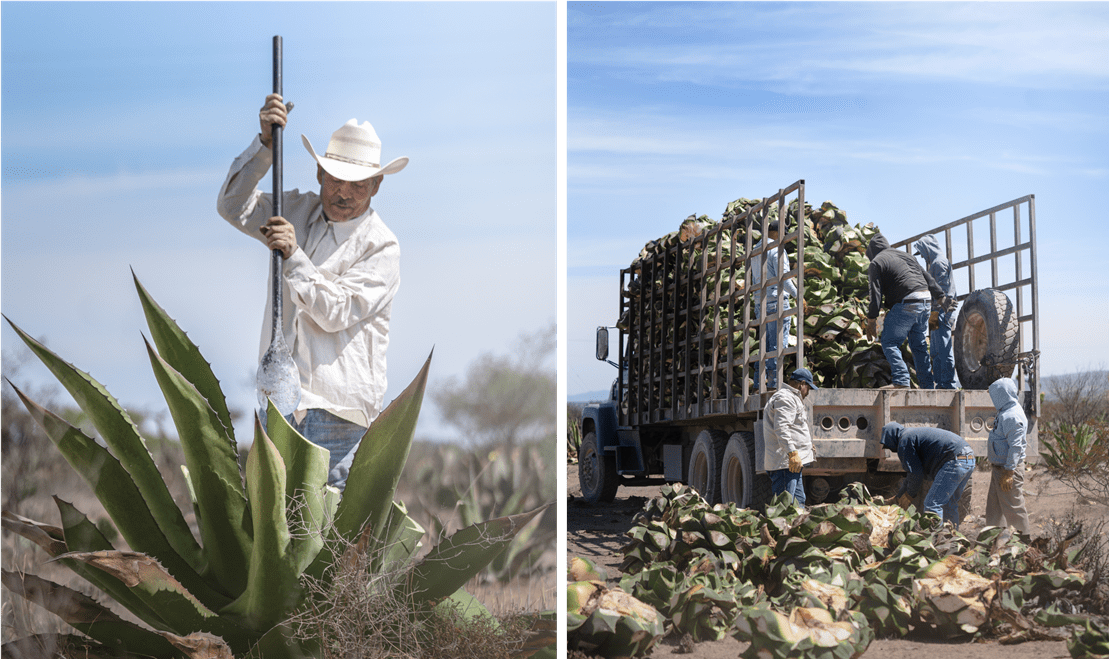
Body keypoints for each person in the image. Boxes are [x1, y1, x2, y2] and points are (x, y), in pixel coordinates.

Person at [216, 93, 408, 491]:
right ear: (320, 174)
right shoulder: (296, 210)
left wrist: (293, 254)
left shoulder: (381, 247)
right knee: (275, 513)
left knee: (324, 526)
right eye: (336, 178)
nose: (345, 193)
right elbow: (233, 206)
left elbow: (335, 312)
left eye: (358, 185)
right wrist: (265, 145)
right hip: (280, 397)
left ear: (376, 185)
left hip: (337, 410)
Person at [864, 233, 946, 389]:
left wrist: (872, 320)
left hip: (907, 302)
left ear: (872, 252)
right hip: (925, 300)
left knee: (889, 342)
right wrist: (941, 297)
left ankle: (901, 381)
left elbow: (875, 295)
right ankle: (927, 385)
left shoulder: (876, 262)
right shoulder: (906, 256)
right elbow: (927, 277)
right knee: (919, 345)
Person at [880, 422, 975, 527]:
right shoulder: (910, 435)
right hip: (968, 459)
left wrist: (909, 495)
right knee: (949, 504)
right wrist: (898, 497)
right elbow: (911, 475)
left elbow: (916, 474)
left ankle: (938, 539)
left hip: (954, 461)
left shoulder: (904, 440)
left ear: (892, 438)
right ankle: (952, 539)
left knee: (932, 504)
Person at [750, 221, 799, 389]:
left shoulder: (756, 249)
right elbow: (783, 277)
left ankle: (758, 382)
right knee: (778, 345)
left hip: (760, 303)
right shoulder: (776, 249)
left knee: (764, 344)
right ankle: (773, 384)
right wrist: (797, 295)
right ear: (778, 233)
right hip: (776, 302)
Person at [762, 368, 818, 506]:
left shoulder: (790, 398)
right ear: (802, 384)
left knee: (799, 502)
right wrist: (792, 453)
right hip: (786, 464)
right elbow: (782, 428)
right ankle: (780, 527)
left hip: (792, 464)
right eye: (808, 388)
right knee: (784, 506)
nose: (808, 392)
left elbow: (794, 428)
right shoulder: (785, 398)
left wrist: (807, 445)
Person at [985, 377, 1032, 538]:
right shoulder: (1006, 411)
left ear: (1001, 395)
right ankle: (994, 541)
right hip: (1000, 469)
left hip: (1007, 470)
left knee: (1013, 508)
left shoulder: (1012, 416)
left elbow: (1016, 447)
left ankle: (1024, 543)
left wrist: (1009, 472)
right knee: (994, 509)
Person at [913, 235, 959, 389]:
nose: (923, 257)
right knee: (935, 349)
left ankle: (947, 383)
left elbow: (942, 293)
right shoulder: (934, 263)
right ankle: (940, 382)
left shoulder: (939, 263)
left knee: (944, 347)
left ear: (928, 249)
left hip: (941, 312)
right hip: (935, 313)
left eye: (922, 253)